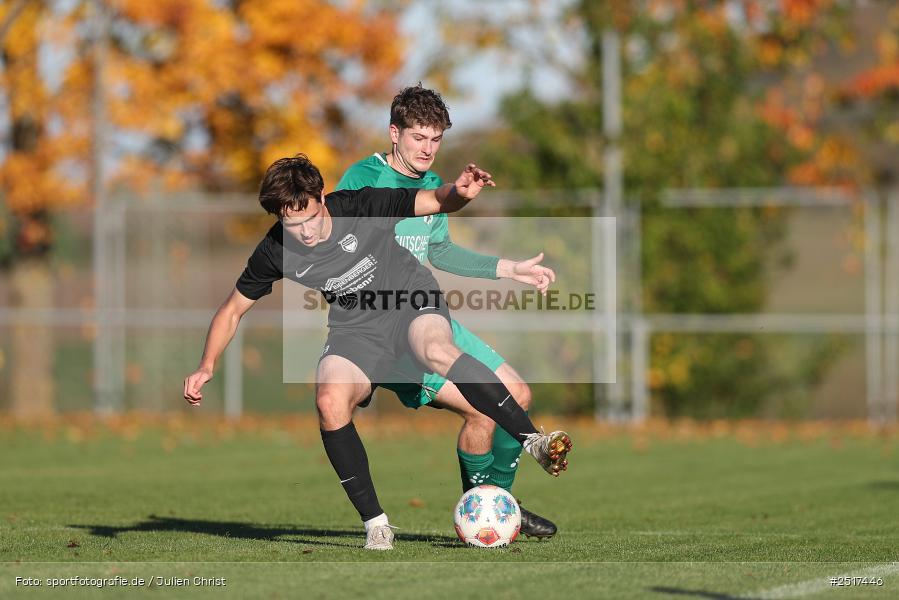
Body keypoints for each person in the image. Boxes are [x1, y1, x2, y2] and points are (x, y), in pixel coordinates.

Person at [183, 154, 572, 550]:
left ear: (322, 197)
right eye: (291, 223)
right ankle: (377, 524)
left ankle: (532, 440)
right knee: (329, 400)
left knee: (436, 348)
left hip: (410, 300)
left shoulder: (359, 206)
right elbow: (232, 310)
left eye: (310, 218)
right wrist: (206, 365)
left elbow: (433, 201)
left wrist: (459, 192)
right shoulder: (276, 248)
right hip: (357, 329)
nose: (304, 232)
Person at [336, 84, 561, 539]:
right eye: (419, 137)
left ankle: (496, 506)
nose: (428, 148)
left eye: (436, 139)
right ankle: (491, 509)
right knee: (483, 408)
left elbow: (440, 253)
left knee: (514, 394)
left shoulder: (433, 188)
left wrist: (508, 268)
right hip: (385, 329)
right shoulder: (363, 177)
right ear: (393, 133)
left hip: (427, 314)